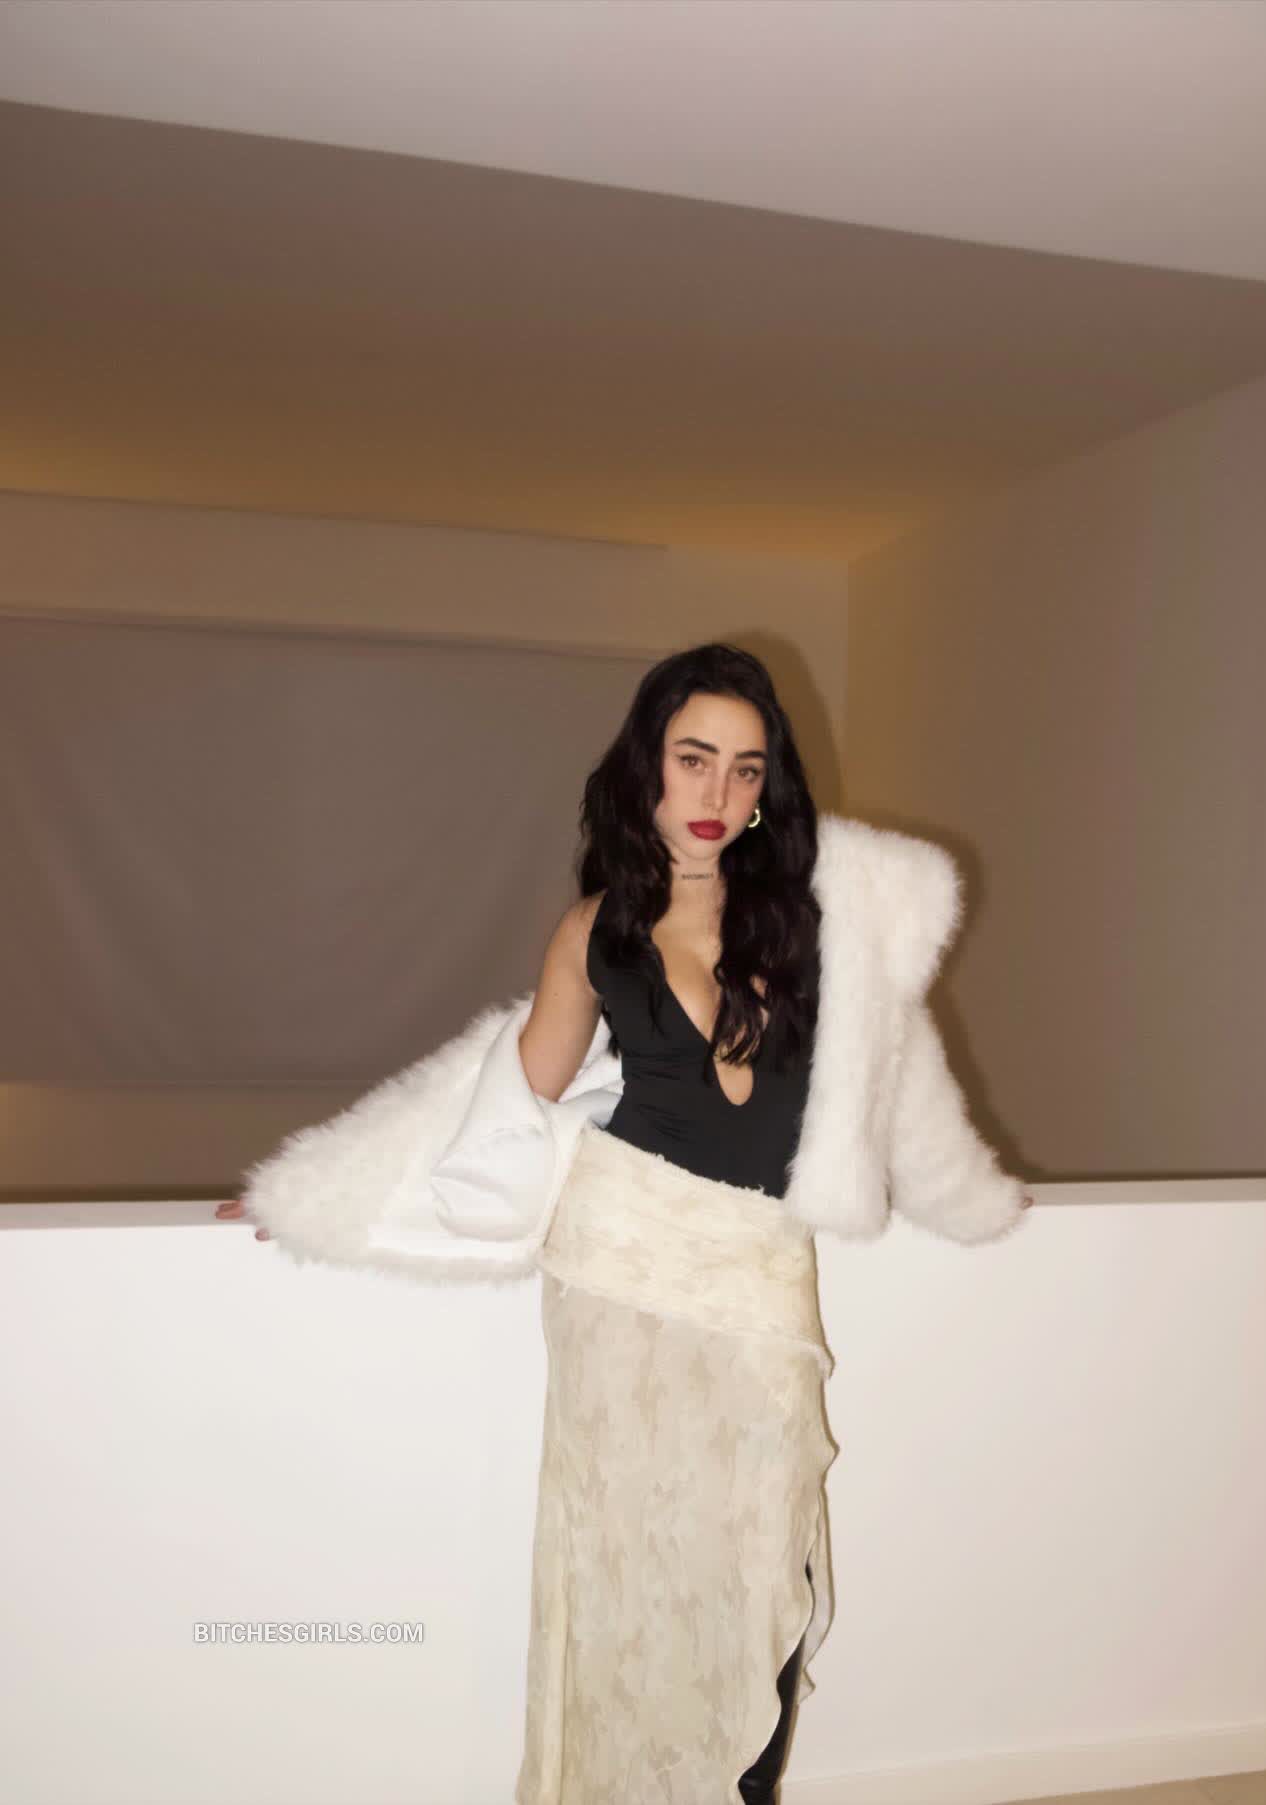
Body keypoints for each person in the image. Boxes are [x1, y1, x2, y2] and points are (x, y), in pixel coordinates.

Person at [219, 641, 1034, 1804]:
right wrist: (316, 1185)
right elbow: (502, 1092)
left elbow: (905, 1080)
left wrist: (968, 1189)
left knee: (763, 1568)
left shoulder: (824, 920)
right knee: (624, 1570)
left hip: (758, 1275)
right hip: (617, 1274)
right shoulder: (595, 930)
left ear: (769, 790)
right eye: (693, 758)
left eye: (745, 769)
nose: (716, 794)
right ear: (645, 765)